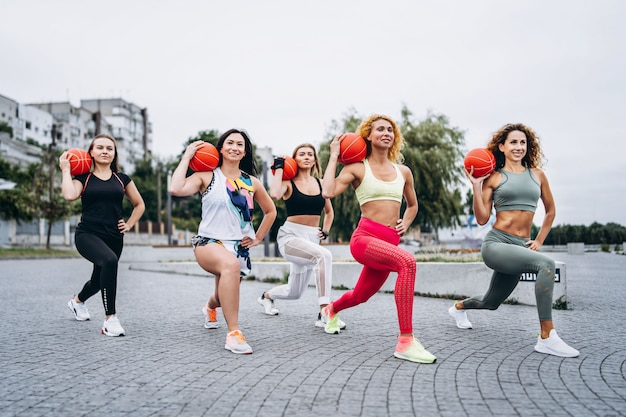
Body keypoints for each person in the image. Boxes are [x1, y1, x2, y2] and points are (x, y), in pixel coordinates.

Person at [448, 123, 579, 358]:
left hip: (521, 245)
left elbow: (550, 211)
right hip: (497, 244)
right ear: (502, 146)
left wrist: (539, 240)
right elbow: (481, 219)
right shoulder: (494, 178)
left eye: (523, 143)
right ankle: (547, 337)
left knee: (491, 301)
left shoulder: (537, 175)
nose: (519, 147)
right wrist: (476, 187)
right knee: (546, 265)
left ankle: (458, 308)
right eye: (513, 142)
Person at [321, 114, 436, 364]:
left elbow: (413, 205)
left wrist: (406, 221)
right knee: (408, 263)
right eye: (380, 129)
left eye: (390, 130)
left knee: (361, 296)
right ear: (369, 136)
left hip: (389, 242)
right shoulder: (357, 168)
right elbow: (328, 191)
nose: (386, 133)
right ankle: (406, 341)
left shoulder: (403, 171)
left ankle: (331, 309)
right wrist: (333, 156)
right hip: (365, 239)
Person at [169, 129, 276, 355]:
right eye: (230, 143)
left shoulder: (252, 182)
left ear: (245, 151)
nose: (234, 147)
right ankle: (234, 334)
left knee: (222, 296)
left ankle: (210, 307)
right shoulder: (206, 176)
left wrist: (258, 238)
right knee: (230, 267)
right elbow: (175, 188)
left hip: (238, 247)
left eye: (239, 144)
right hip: (208, 242)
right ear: (220, 148)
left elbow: (270, 212)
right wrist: (187, 157)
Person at [61, 134, 145, 337]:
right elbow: (70, 195)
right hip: (87, 234)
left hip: (114, 236)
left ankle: (77, 301)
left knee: (99, 281)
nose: (105, 151)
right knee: (109, 261)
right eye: (100, 147)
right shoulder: (84, 178)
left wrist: (130, 224)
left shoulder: (121, 179)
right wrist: (65, 170)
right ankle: (110, 319)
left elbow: (139, 204)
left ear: (114, 153)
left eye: (110, 148)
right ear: (91, 152)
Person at [259, 144, 346, 331]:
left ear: (315, 160)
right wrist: (279, 168)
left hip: (311, 239)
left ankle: (266, 297)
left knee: (294, 292)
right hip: (290, 237)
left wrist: (326, 230)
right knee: (324, 256)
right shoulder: (288, 184)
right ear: (295, 159)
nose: (306, 157)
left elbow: (329, 213)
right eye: (301, 154)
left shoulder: (321, 183)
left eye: (310, 154)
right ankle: (325, 312)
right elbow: (274, 194)